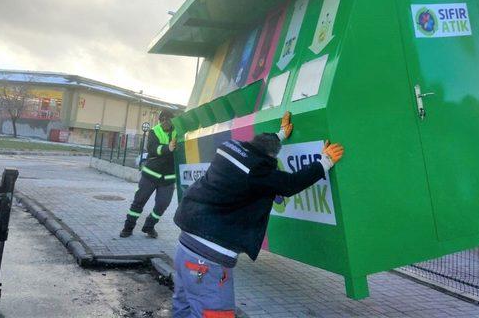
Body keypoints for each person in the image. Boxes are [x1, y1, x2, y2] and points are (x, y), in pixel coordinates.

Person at [172, 112, 344, 317]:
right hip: (208, 259)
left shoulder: (228, 148)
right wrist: (324, 162)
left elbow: (257, 148)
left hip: (185, 247)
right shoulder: (257, 172)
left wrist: (279, 135)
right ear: (270, 157)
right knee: (213, 314)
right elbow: (290, 184)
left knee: (183, 308)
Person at [120, 109, 177, 239]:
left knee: (163, 204)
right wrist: (167, 148)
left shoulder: (177, 131)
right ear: (160, 120)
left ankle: (149, 226)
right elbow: (152, 149)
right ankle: (128, 228)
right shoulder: (154, 131)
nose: (166, 122)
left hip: (168, 178)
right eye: (163, 120)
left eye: (169, 120)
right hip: (150, 175)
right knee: (138, 202)